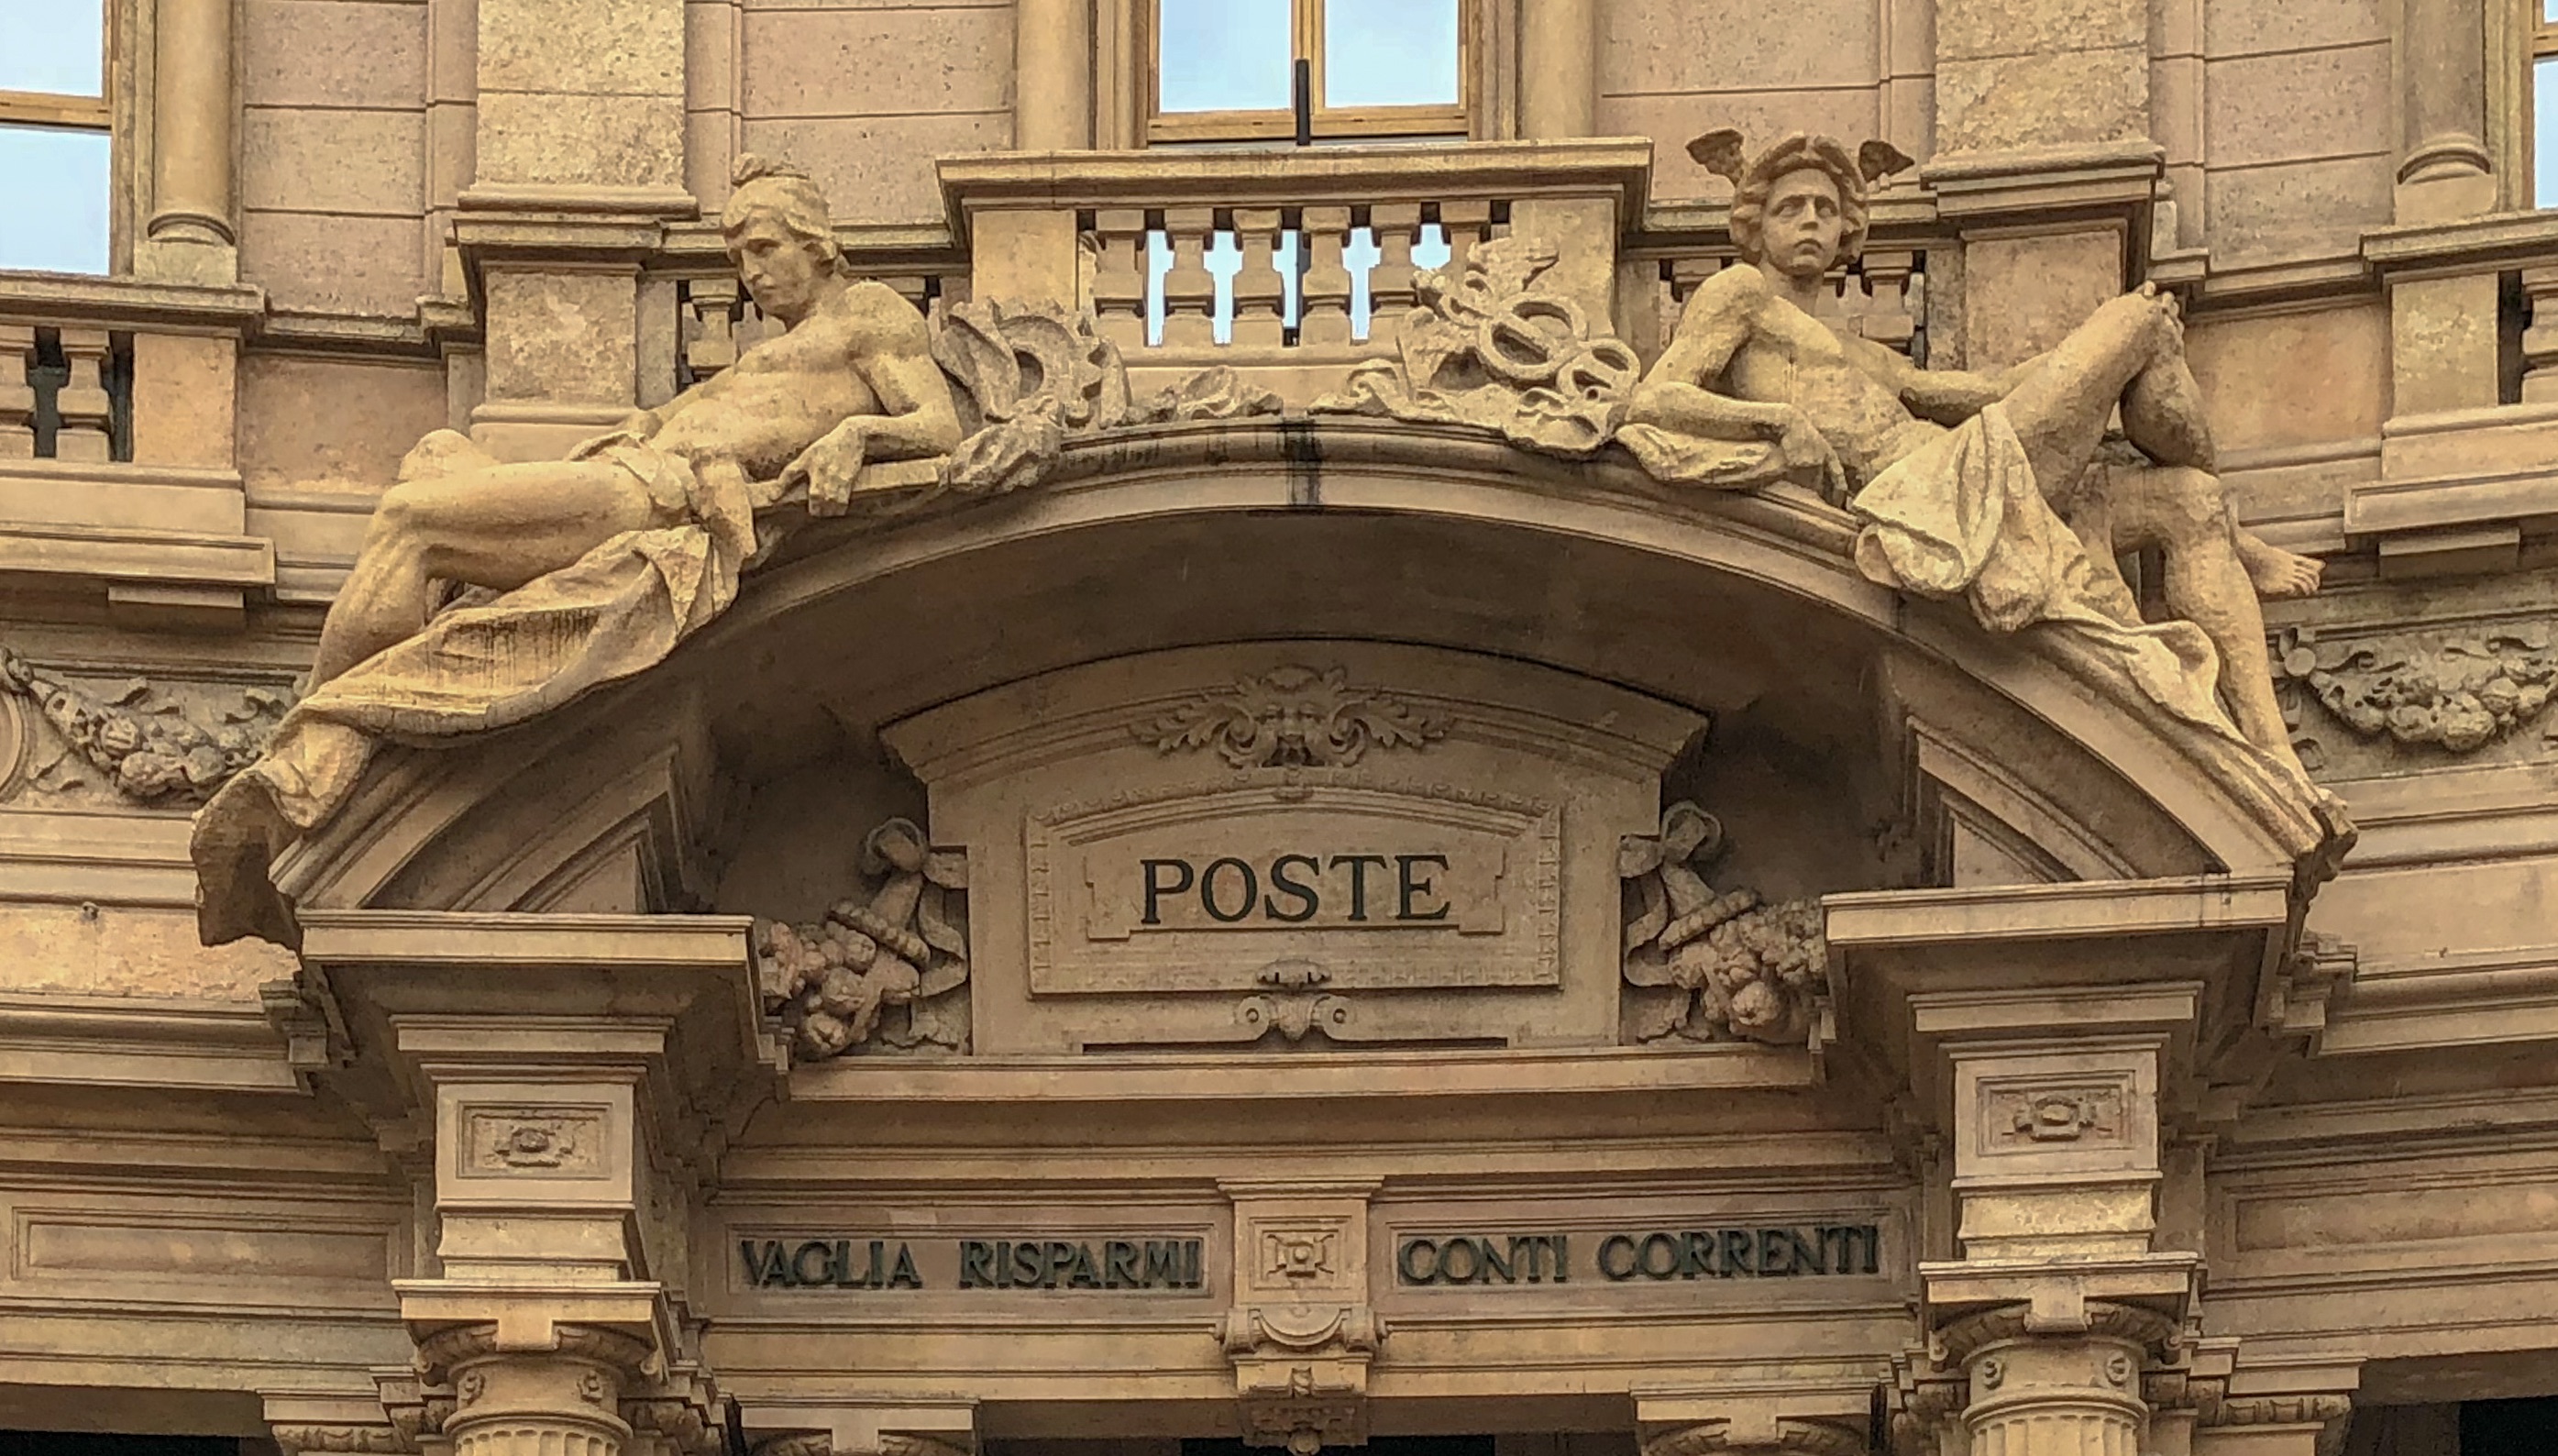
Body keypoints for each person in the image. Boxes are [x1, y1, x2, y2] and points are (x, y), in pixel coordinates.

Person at [1620, 131, 2321, 757]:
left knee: (2191, 499)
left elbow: (1981, 393)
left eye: (1826, 210)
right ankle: (2239, 528)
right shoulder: (1740, 294)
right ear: (1753, 226)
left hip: (1962, 469)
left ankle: (2271, 755)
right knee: (2135, 320)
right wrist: (1776, 423)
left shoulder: (1867, 354)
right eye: (1790, 208)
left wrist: (2083, 365)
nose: (1810, 222)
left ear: (1848, 233)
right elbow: (1654, 398)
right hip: (1933, 493)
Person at [305, 155, 964, 689]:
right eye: (739, 259)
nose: (750, 275)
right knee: (437, 452)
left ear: (818, 245)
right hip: (621, 464)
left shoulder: (870, 312)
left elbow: (940, 428)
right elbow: (654, 421)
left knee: (409, 520)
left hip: (654, 497)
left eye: (765, 249)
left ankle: (323, 726)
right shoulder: (763, 355)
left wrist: (859, 434)